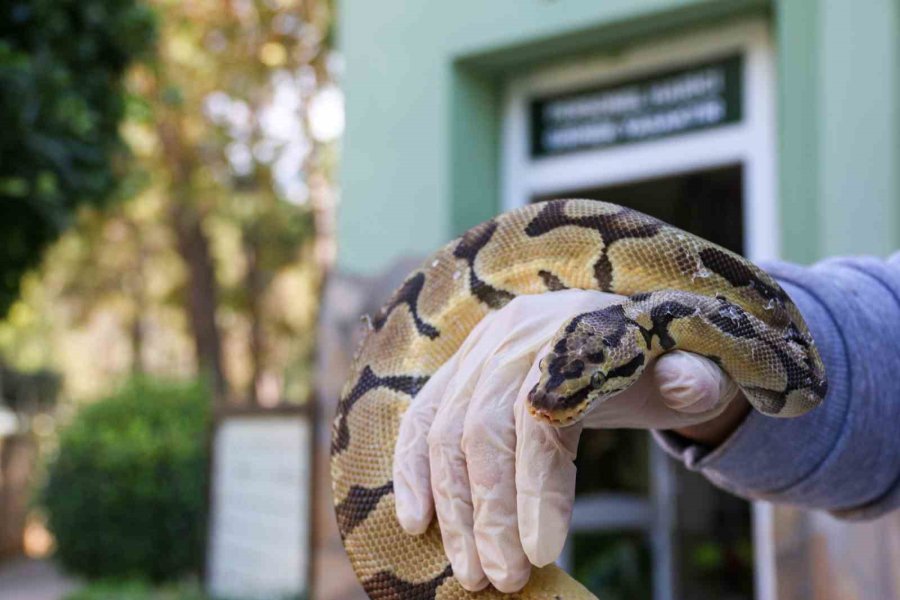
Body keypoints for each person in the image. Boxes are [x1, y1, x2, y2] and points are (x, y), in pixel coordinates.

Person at [392, 253, 900, 594]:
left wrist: (746, 364)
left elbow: (808, 380)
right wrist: (731, 406)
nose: (547, 403)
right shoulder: (629, 336)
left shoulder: (658, 332)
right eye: (555, 370)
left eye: (587, 387)